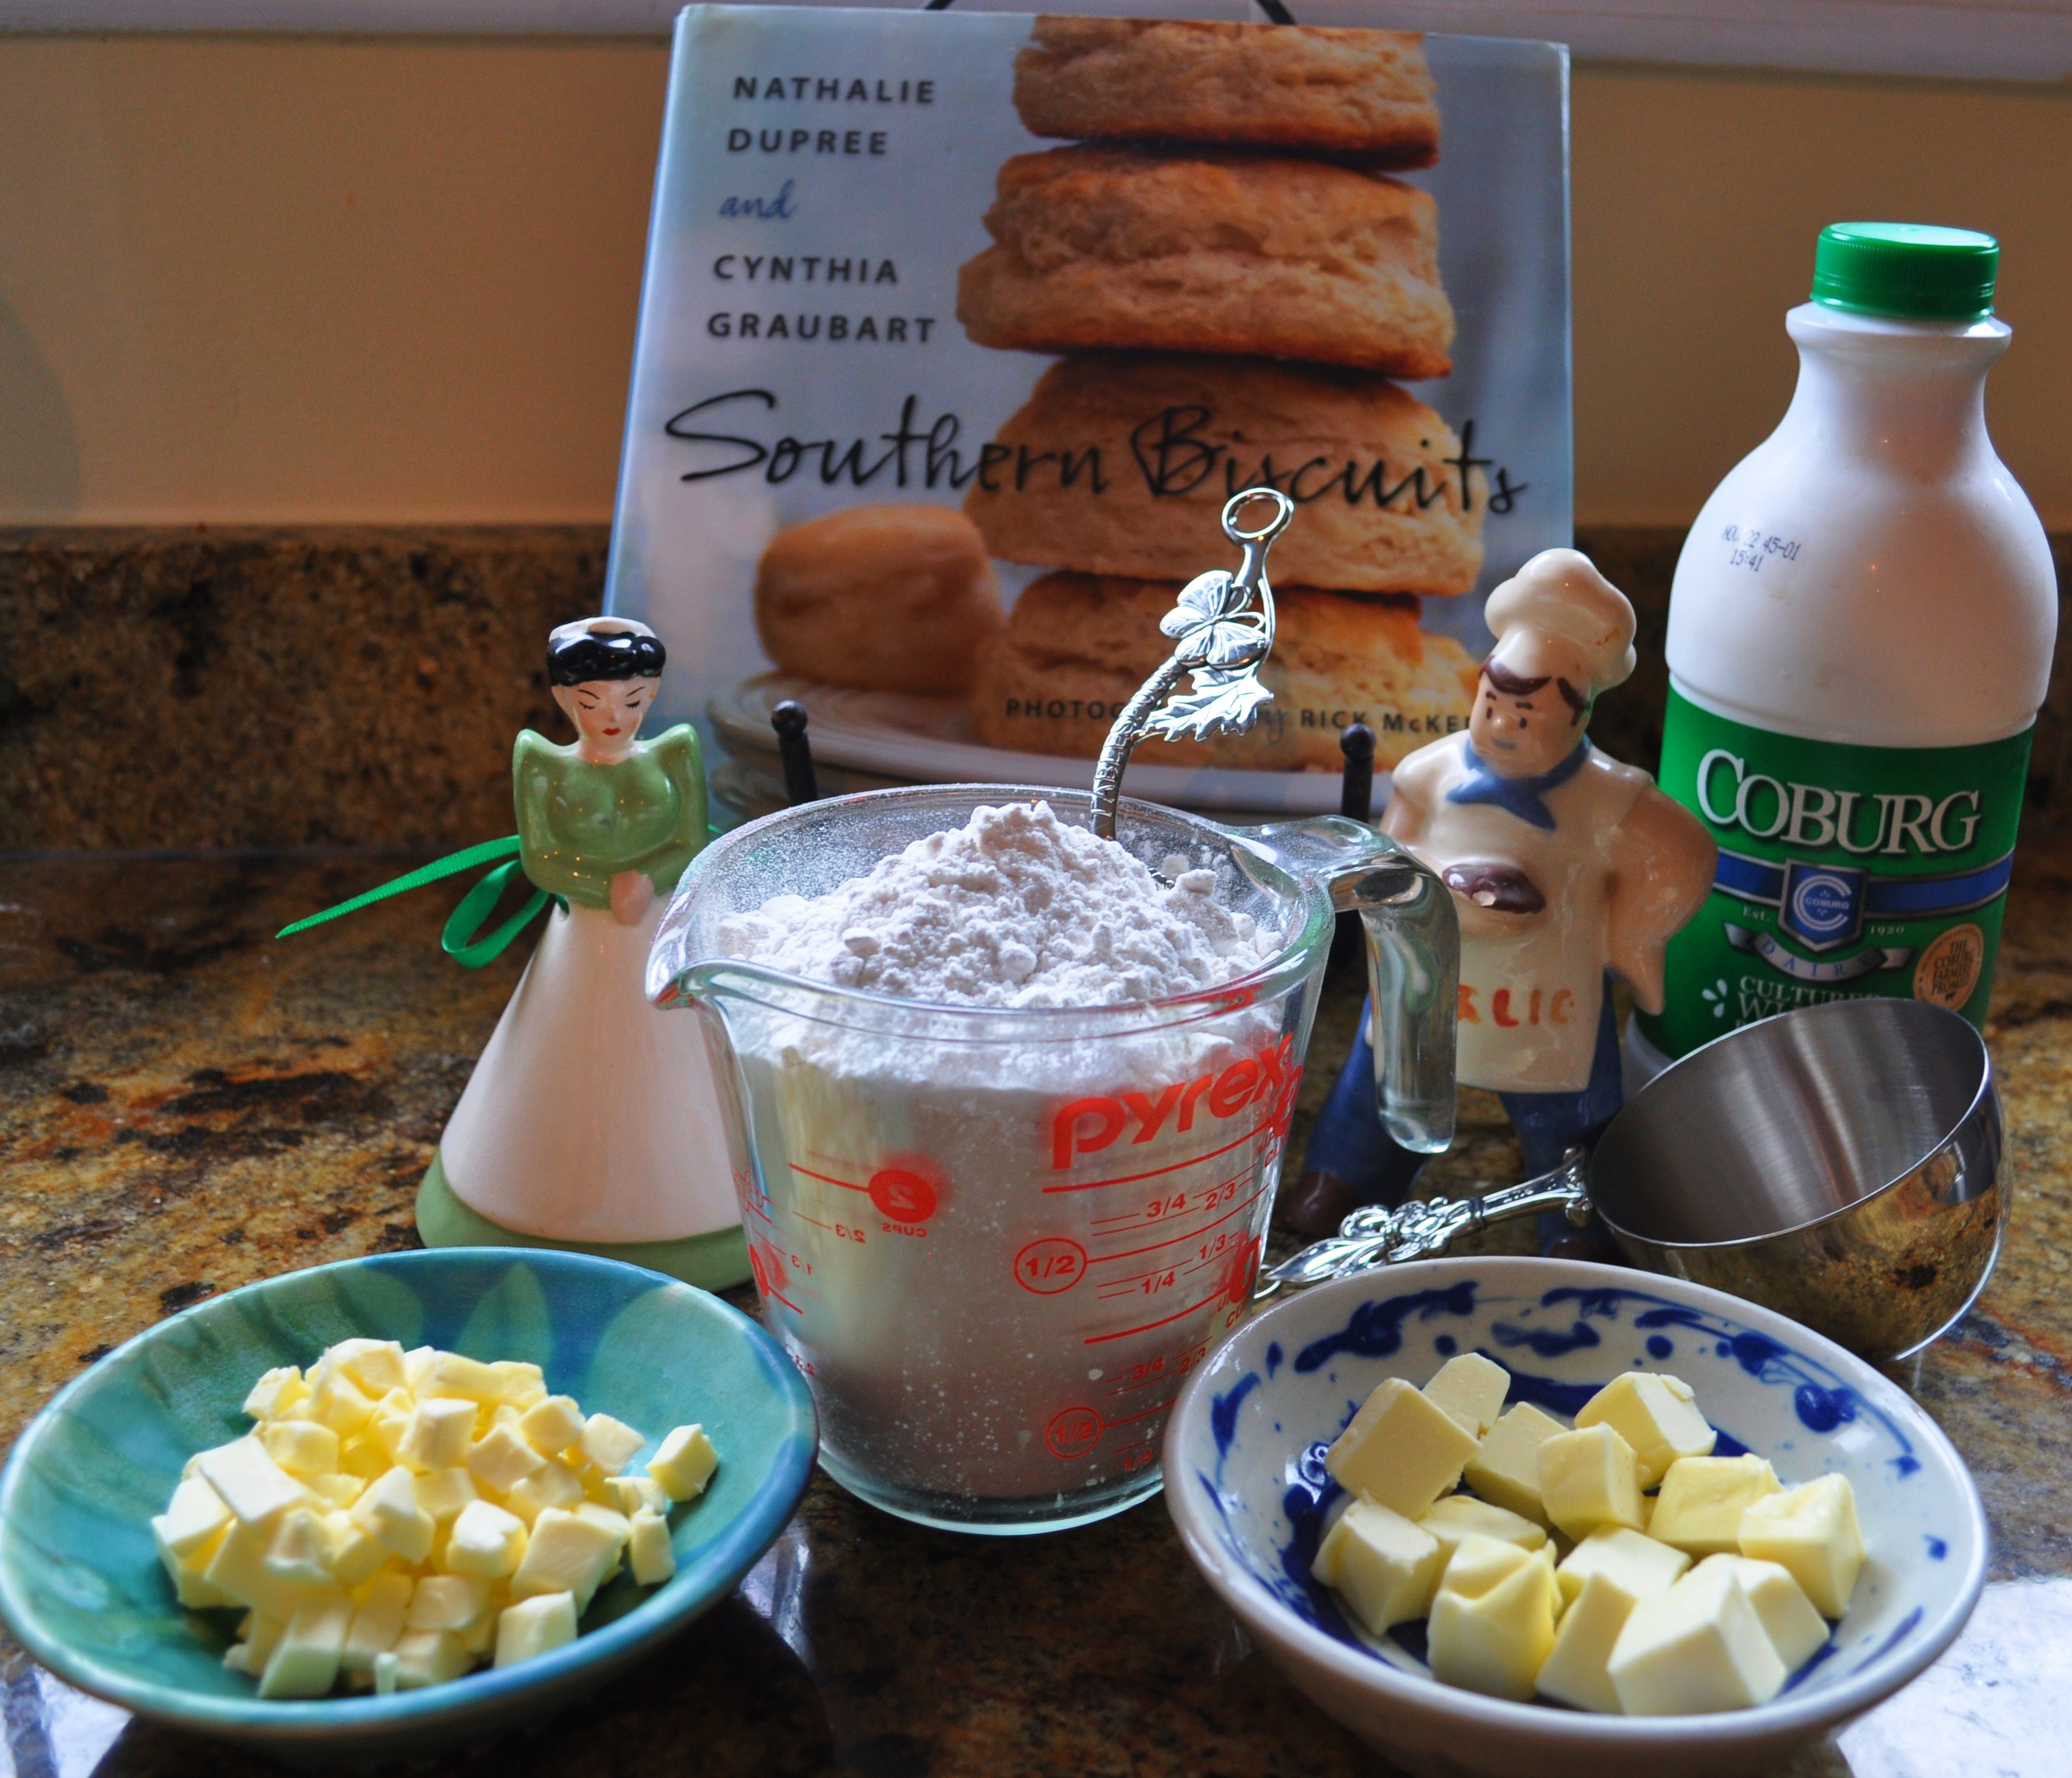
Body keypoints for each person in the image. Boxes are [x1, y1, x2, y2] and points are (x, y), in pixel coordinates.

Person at [1286, 551, 1715, 1254]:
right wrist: (1439, 886)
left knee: (1568, 1121)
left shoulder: (1608, 799)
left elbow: (1686, 855)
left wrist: (1632, 938)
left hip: (1546, 1002)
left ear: (1576, 717)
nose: (1504, 725)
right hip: (1425, 984)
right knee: (1383, 1087)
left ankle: (1575, 1220)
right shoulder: (1426, 773)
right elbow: (1384, 855)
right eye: (1492, 703)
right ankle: (1346, 1180)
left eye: (1526, 712)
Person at [415, 616, 747, 1286]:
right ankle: (513, 1204)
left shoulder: (674, 752)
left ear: (652, 695)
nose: (613, 718)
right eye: (594, 703)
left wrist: (645, 881)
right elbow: (540, 857)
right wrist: (601, 885)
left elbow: (689, 843)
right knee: (556, 1059)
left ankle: (704, 1210)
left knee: (680, 1077)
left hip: (654, 935)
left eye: (632, 700)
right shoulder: (541, 761)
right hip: (581, 939)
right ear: (566, 700)